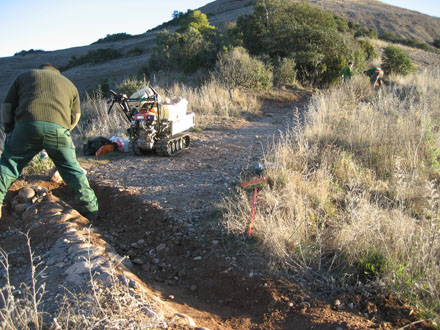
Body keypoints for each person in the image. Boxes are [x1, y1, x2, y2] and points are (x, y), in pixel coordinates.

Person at [0, 64, 98, 220]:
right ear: (56, 72)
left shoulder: (24, 76)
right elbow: (76, 115)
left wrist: (9, 129)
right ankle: (92, 211)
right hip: (58, 130)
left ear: (41, 69)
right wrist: (64, 130)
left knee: (8, 165)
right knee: (72, 170)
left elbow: (7, 107)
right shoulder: (69, 84)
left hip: (26, 126)